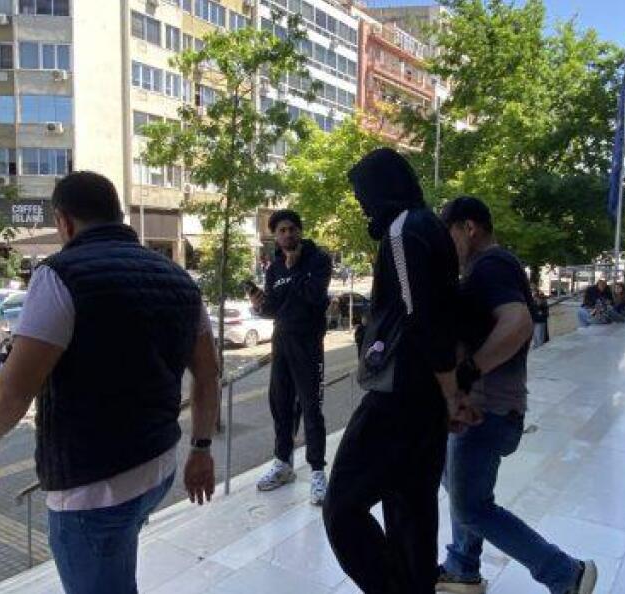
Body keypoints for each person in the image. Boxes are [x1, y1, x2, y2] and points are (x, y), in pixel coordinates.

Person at [0, 171, 219, 594]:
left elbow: (13, 391)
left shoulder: (60, 276)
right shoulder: (180, 279)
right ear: (119, 215)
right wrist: (201, 449)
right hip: (159, 468)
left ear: (63, 221)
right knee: (118, 563)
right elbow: (207, 373)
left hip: (91, 490)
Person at [323, 148, 474, 593]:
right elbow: (448, 311)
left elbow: (421, 316)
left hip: (400, 395)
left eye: (362, 195)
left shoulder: (402, 230)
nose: (362, 205)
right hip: (425, 401)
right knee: (411, 508)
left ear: (381, 188)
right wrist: (453, 390)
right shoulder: (431, 227)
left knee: (342, 508)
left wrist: (451, 394)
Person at [438, 196, 597, 594]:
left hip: (486, 409)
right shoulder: (488, 266)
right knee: (461, 490)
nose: (445, 244)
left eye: (448, 233)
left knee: (471, 507)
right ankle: (462, 567)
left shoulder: (490, 265)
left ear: (469, 227)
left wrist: (469, 372)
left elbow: (518, 322)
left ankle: (566, 573)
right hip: (489, 407)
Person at [248, 209, 332, 504]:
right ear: (275, 236)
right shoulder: (274, 268)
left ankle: (318, 472)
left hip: (308, 343)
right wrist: (259, 305)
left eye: (291, 229)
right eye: (281, 231)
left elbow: (314, 296)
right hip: (281, 343)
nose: (287, 234)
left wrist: (295, 269)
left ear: (300, 231)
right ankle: (283, 464)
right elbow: (274, 308)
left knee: (311, 408)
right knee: (280, 406)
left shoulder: (318, 259)